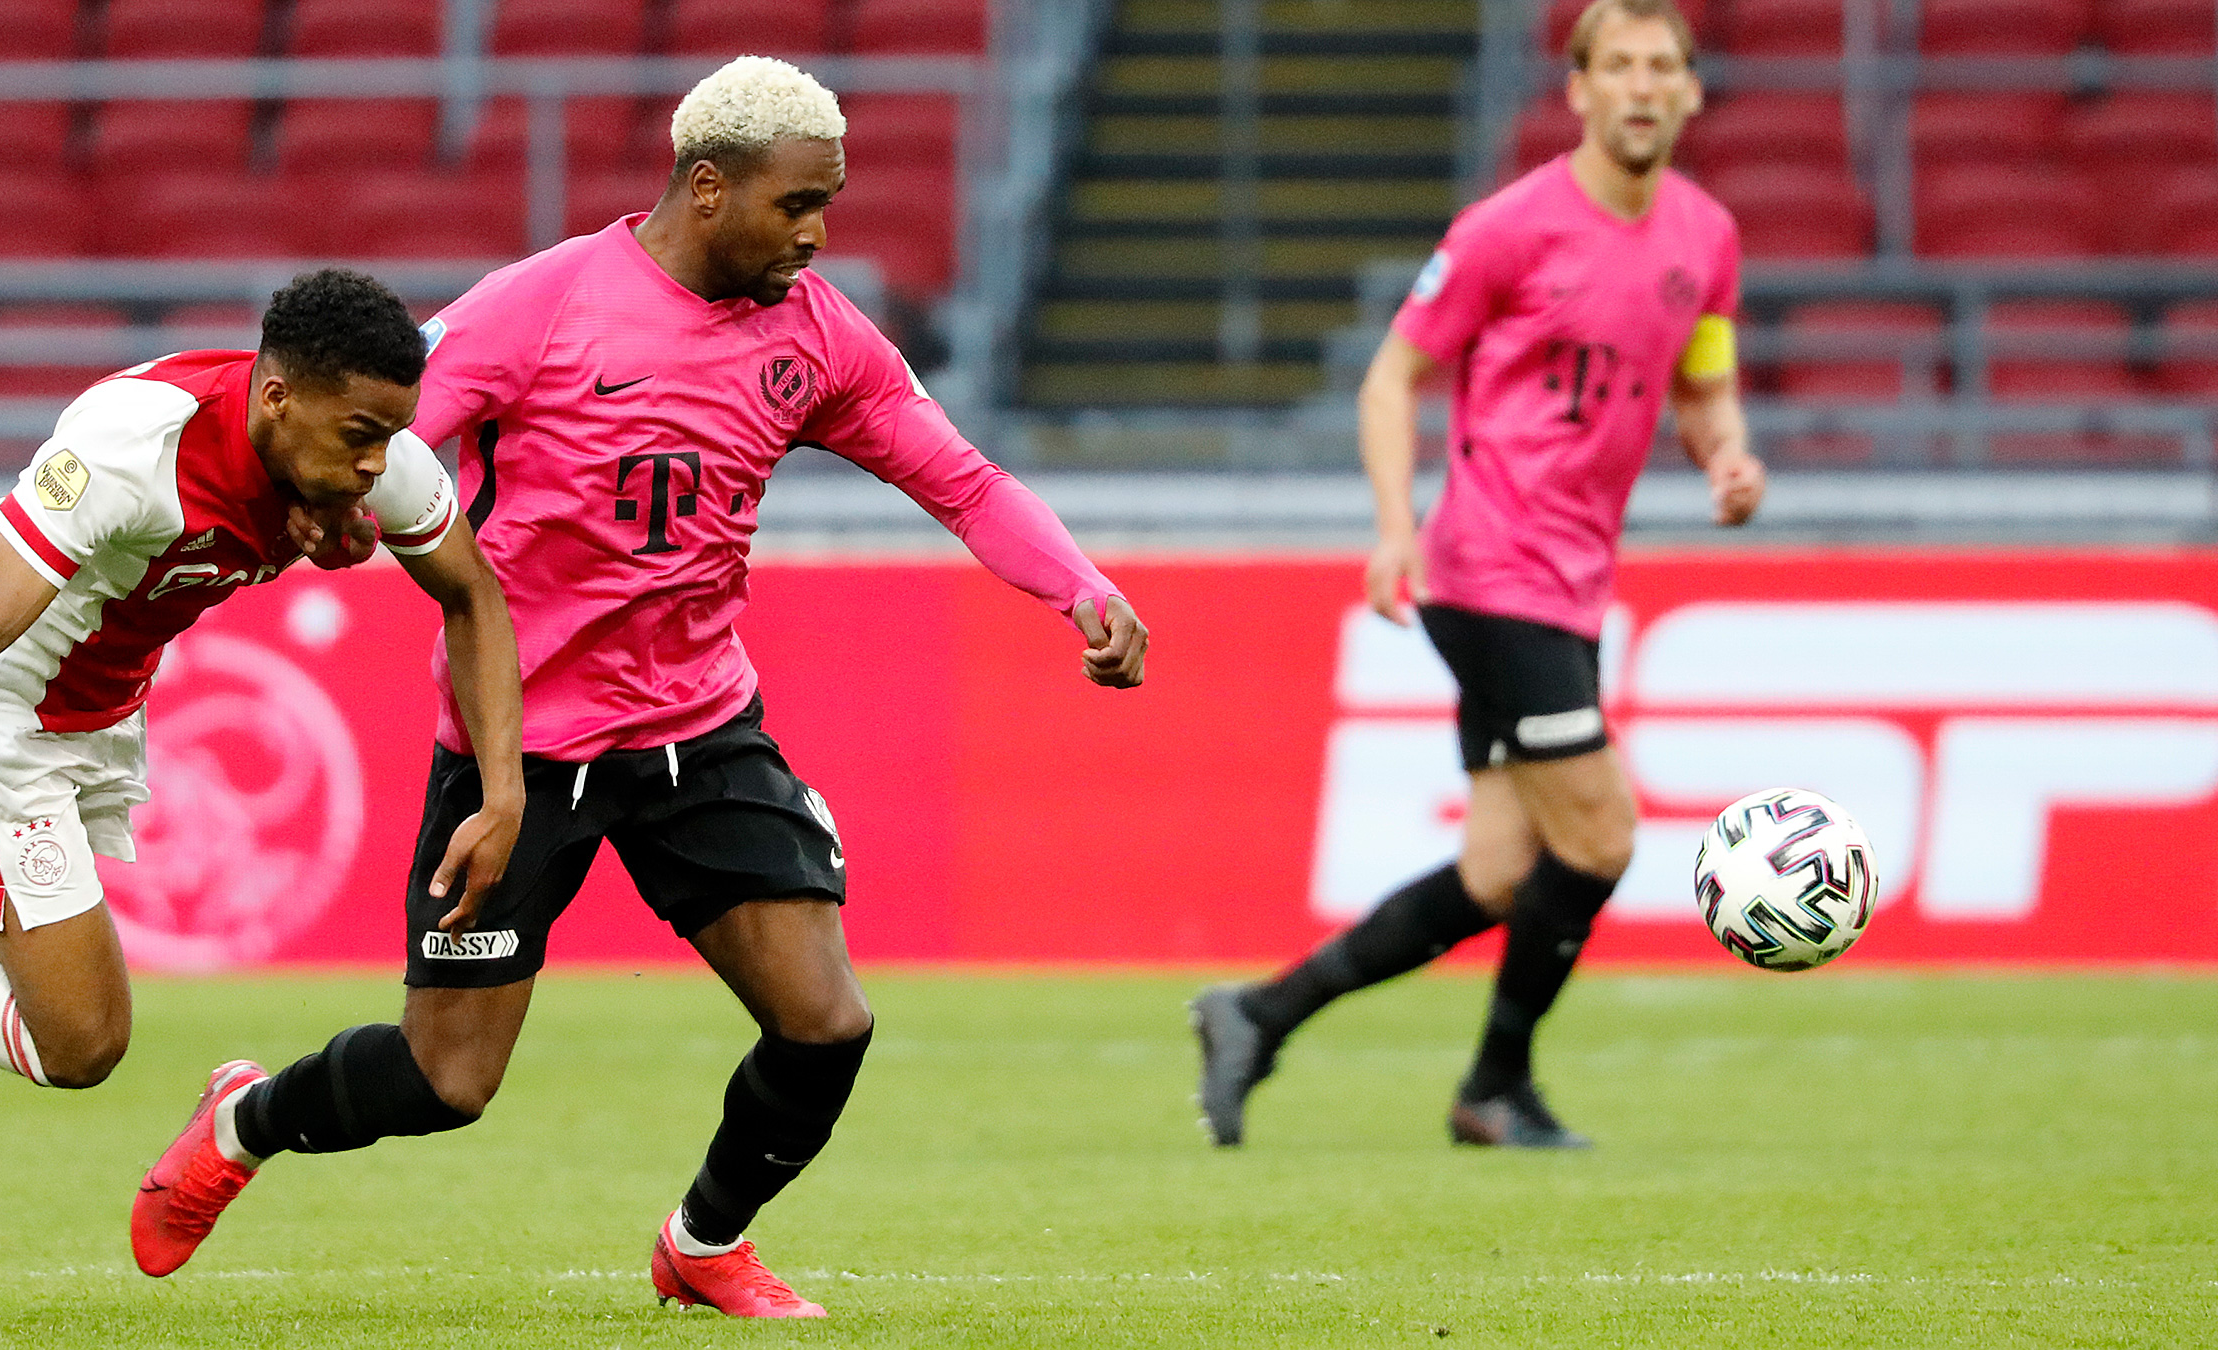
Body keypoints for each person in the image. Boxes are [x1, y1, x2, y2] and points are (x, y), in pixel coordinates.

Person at [124, 56, 1150, 1319]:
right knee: (445, 1084)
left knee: (826, 1022)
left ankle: (703, 1242)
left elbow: (965, 480)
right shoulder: (541, 307)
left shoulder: (821, 336)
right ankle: (245, 1122)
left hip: (701, 732)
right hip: (521, 750)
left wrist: (1080, 589)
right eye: (798, 204)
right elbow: (381, 442)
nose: (817, 232)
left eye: (829, 202)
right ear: (707, 188)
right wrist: (328, 522)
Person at [0, 269, 527, 1320]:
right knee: (81, 1038)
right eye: (360, 434)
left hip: (98, 709)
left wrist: (502, 789)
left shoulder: (364, 464)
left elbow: (475, 596)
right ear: (277, 396)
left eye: (390, 437)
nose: (378, 463)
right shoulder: (131, 447)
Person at [1192, 0, 1764, 1151]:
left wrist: (1729, 452)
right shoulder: (1509, 228)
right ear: (1581, 90)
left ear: (1694, 92)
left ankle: (1257, 1013)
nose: (1644, 87)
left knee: (1501, 870)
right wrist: (1396, 525)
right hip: (1487, 570)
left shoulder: (1706, 237)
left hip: (1570, 585)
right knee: (1601, 838)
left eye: (1665, 68)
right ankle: (1496, 1085)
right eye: (1621, 67)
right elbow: (1393, 379)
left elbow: (1703, 375)